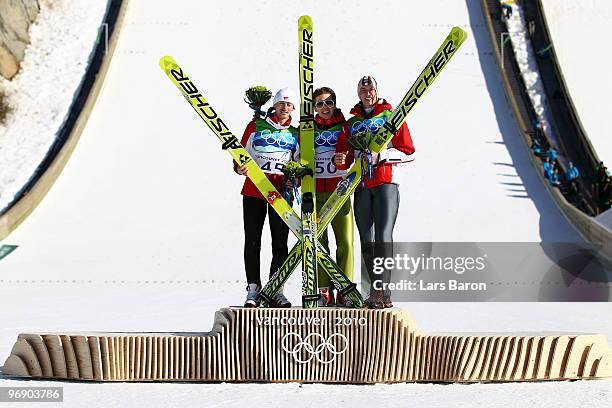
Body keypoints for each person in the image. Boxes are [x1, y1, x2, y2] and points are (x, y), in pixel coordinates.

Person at [335, 76, 415, 309]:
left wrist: (384, 156)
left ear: (377, 91)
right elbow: (344, 156)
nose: (367, 93)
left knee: (383, 236)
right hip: (361, 184)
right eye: (363, 89)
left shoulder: (391, 117)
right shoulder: (352, 123)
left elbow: (409, 151)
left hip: (385, 182)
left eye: (371, 89)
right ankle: (372, 289)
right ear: (358, 93)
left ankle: (382, 289)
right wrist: (341, 160)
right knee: (366, 239)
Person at [235, 88, 299, 308]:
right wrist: (239, 167)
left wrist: (295, 180)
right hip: (254, 189)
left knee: (280, 243)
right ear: (275, 105)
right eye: (281, 104)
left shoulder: (296, 133)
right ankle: (253, 288)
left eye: (289, 105)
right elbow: (240, 153)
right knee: (252, 241)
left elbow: (300, 164)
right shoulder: (255, 126)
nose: (284, 108)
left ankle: (276, 288)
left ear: (293, 109)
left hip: (281, 193)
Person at [312, 87, 355, 307]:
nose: (325, 108)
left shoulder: (345, 126)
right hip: (315, 189)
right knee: (319, 242)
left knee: (345, 241)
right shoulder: (307, 128)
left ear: (335, 104)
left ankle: (345, 288)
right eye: (320, 104)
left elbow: (351, 155)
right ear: (314, 108)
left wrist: (344, 160)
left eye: (329, 103)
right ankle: (324, 289)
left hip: (339, 190)